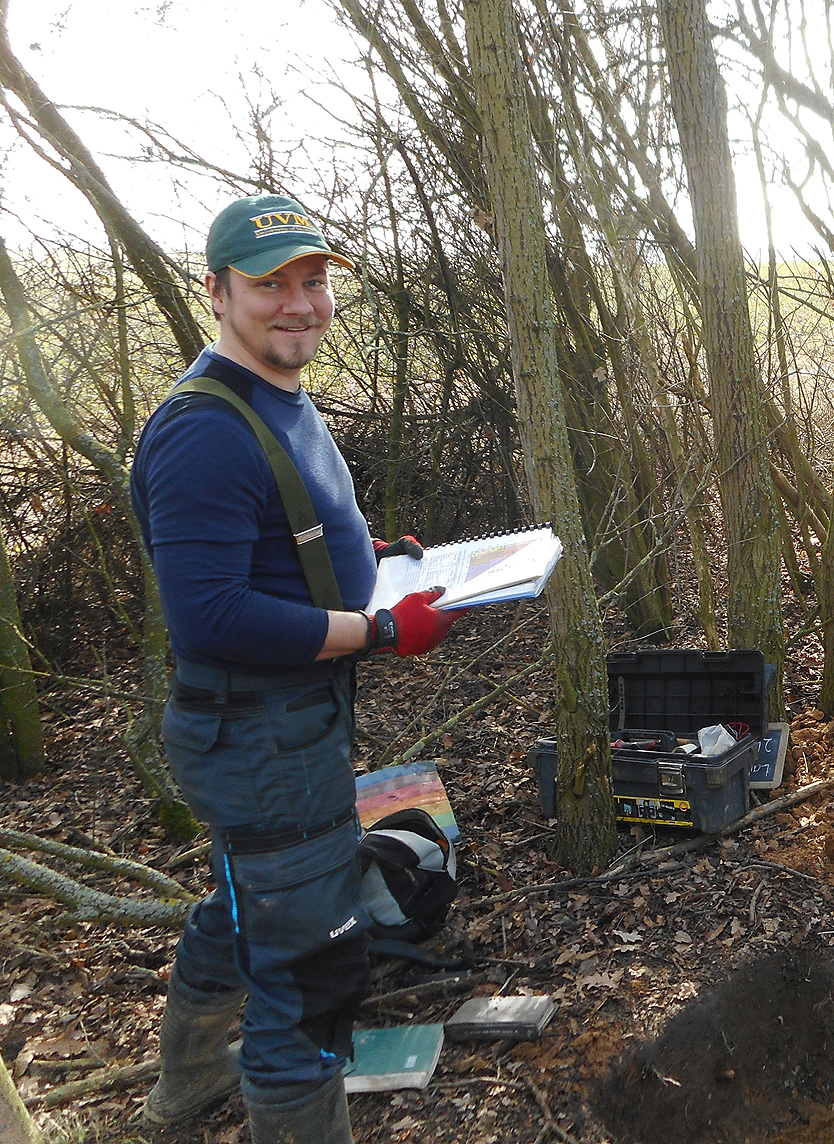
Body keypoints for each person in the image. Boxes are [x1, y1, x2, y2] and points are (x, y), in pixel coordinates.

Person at [130, 194, 458, 1142]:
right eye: (270, 284)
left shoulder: (274, 394)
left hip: (280, 726)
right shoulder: (205, 430)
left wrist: (371, 561)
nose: (299, 303)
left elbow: (275, 539)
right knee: (311, 976)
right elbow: (212, 615)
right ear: (217, 291)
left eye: (312, 281)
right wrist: (380, 630)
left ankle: (187, 1086)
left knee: (251, 904)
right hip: (260, 734)